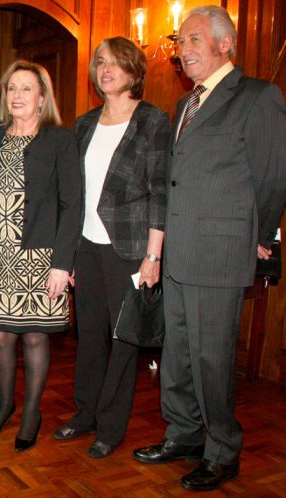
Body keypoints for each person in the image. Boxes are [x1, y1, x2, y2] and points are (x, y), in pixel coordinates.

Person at [132, 6, 286, 491]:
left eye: (194, 39)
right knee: (177, 353)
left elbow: (272, 177)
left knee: (211, 360)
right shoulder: (185, 104)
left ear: (226, 43)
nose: (184, 49)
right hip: (179, 252)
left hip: (219, 253)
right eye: (180, 41)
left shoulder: (257, 96)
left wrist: (258, 236)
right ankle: (182, 434)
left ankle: (222, 449)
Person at [52, 37, 169, 458]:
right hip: (86, 244)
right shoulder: (84, 124)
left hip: (130, 248)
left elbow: (161, 192)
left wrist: (153, 256)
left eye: (116, 63)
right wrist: (69, 252)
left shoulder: (153, 121)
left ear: (134, 71)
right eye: (100, 62)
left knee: (123, 339)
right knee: (89, 336)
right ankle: (85, 413)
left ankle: (111, 426)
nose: (105, 69)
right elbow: (73, 192)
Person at [0, 60, 81, 452]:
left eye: (27, 89)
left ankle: (32, 413)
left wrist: (63, 263)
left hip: (41, 257)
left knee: (35, 336)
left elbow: (72, 204)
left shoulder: (60, 139)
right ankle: (5, 405)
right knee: (0, 334)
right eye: (12, 88)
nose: (17, 95)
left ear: (42, 97)